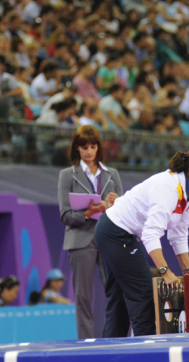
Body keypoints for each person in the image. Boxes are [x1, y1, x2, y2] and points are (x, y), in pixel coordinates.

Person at [94, 148, 189, 337]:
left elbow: (179, 234)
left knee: (118, 300)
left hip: (112, 230)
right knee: (144, 295)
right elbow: (150, 234)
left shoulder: (188, 192)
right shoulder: (168, 187)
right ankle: (148, 352)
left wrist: (188, 271)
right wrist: (165, 271)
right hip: (115, 232)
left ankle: (109, 353)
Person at [57, 125, 123, 338]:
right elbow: (65, 215)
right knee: (83, 297)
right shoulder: (67, 175)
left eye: (93, 146)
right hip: (80, 240)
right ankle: (85, 344)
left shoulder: (112, 175)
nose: (88, 151)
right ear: (76, 148)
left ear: (98, 148)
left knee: (116, 292)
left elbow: (124, 212)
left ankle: (112, 339)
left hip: (108, 239)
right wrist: (88, 213)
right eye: (84, 146)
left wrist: (115, 205)